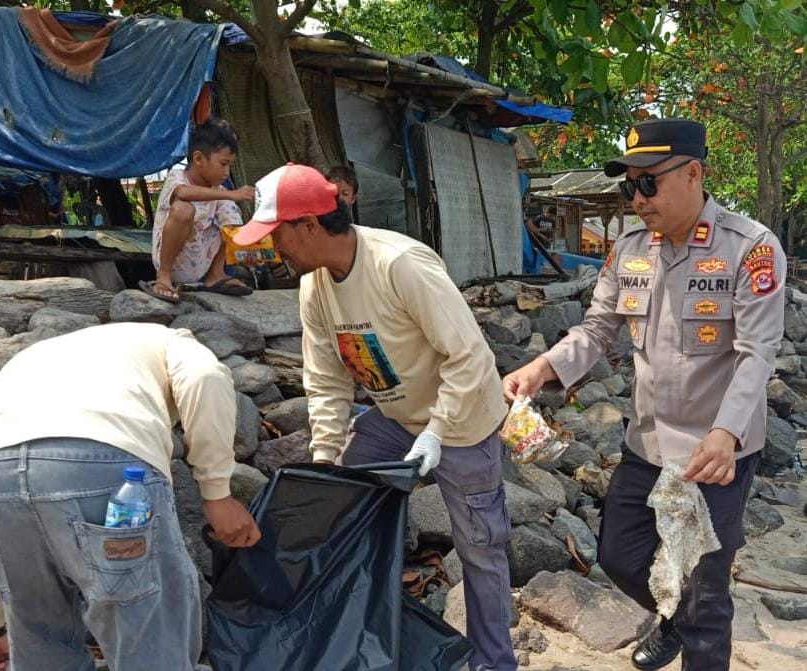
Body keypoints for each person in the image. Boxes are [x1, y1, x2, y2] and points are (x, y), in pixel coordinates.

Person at [503, 118, 785, 671]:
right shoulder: (630, 248)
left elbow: (757, 353)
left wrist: (726, 433)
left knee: (705, 596)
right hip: (648, 441)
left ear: (693, 173)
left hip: (714, 452)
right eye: (629, 185)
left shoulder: (750, 248)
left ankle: (692, 627)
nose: (637, 198)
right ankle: (673, 617)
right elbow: (597, 330)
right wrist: (543, 367)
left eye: (648, 183)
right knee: (618, 556)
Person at [233, 164, 518, 671]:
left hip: (463, 421)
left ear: (309, 225)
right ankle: (363, 643)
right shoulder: (315, 285)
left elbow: (470, 357)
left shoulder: (398, 264)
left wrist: (437, 432)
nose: (274, 249)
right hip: (394, 419)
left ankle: (494, 663)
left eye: (277, 234)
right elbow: (326, 379)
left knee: (480, 548)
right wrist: (325, 461)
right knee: (341, 511)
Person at [0, 322, 261, 671]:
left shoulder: (35, 359)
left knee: (38, 638)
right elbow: (204, 376)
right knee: (147, 632)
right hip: (100, 459)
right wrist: (217, 493)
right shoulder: (170, 340)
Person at [141, 118, 255, 303]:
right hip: (174, 263)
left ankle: (216, 274)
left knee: (229, 208)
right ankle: (163, 277)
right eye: (223, 164)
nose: (227, 172)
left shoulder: (220, 193)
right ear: (199, 158)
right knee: (183, 209)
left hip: (201, 262)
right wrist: (232, 194)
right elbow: (183, 193)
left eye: (230, 166)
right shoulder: (177, 177)